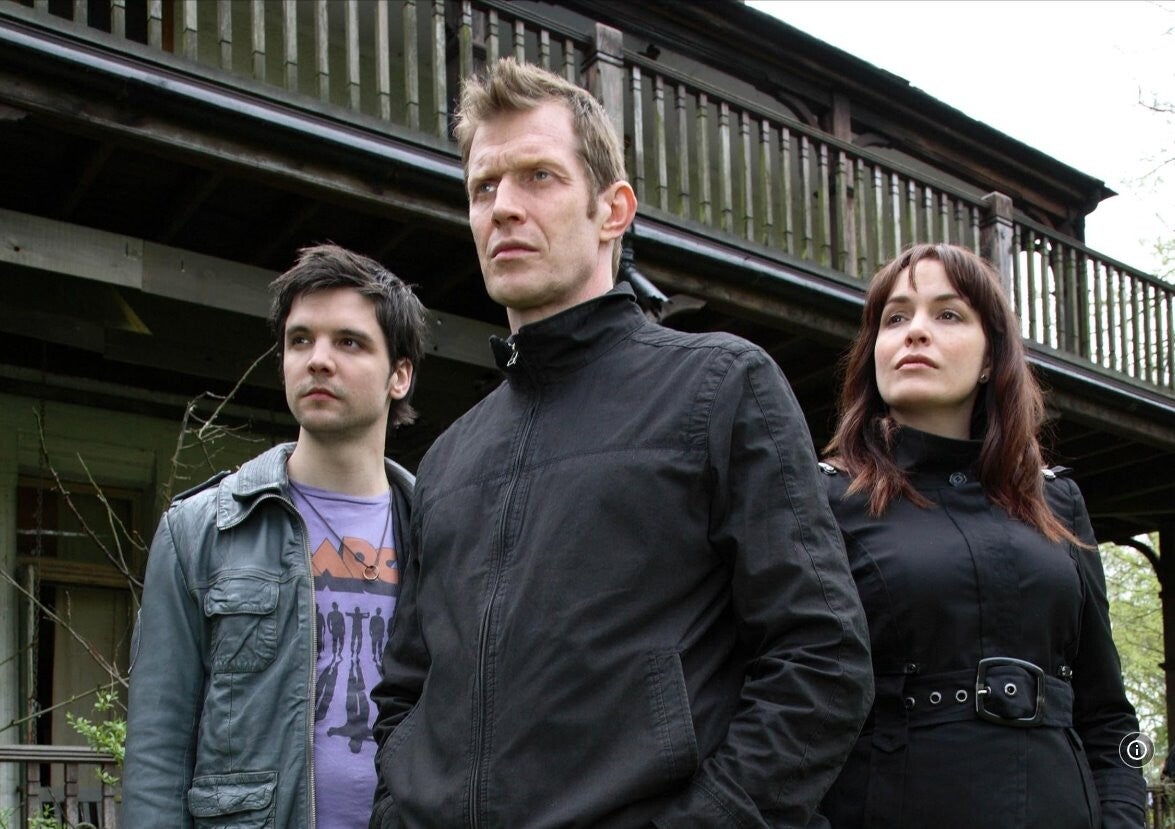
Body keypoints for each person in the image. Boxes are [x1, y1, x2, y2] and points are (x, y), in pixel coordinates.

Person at [369, 57, 873, 828]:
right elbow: (406, 690)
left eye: (538, 177)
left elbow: (821, 659)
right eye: (482, 187)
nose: (503, 208)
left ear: (613, 210)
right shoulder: (448, 458)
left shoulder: (718, 387)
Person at [818, 243, 1147, 827]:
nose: (915, 331)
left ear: (992, 356)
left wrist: (1123, 814)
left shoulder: (1058, 503)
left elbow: (1109, 717)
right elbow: (791, 699)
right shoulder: (823, 500)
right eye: (895, 318)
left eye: (948, 314)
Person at [124, 244, 427, 828]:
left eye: (349, 342)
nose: (318, 360)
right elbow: (158, 752)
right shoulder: (202, 531)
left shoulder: (441, 532)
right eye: (300, 340)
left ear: (400, 375)